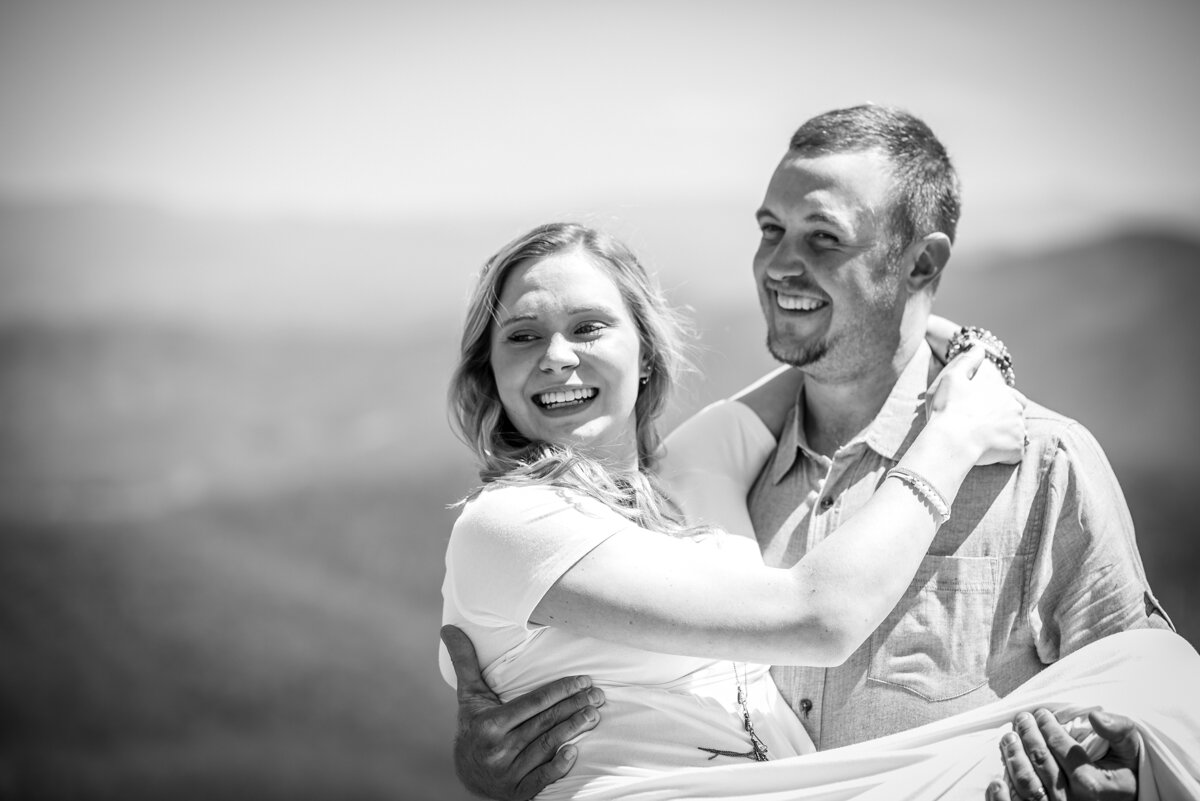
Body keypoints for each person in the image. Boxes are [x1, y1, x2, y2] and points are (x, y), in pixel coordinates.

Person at [441, 106, 1180, 801]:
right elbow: (821, 614)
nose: (779, 265)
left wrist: (1126, 769)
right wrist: (949, 434)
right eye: (770, 230)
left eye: (822, 237)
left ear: (921, 263)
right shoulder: (525, 521)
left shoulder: (1038, 463)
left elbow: (1141, 686)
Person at [440, 220, 1029, 799]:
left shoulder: (693, 467)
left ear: (644, 353)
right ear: (490, 374)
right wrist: (953, 438)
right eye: (522, 336)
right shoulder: (509, 524)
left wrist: (970, 349)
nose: (557, 356)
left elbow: (860, 351)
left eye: (589, 328)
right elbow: (820, 619)